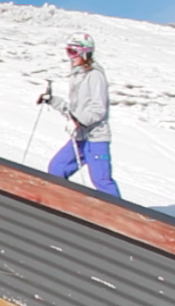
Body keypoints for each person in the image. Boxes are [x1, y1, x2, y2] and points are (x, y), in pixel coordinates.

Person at [39, 32, 121, 197]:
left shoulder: (94, 75)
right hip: (80, 137)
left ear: (85, 52)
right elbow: (76, 109)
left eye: (73, 51)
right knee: (57, 168)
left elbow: (98, 109)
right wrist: (52, 100)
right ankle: (62, 203)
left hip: (96, 138)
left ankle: (120, 211)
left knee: (101, 180)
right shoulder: (77, 75)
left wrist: (79, 121)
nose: (70, 56)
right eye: (68, 51)